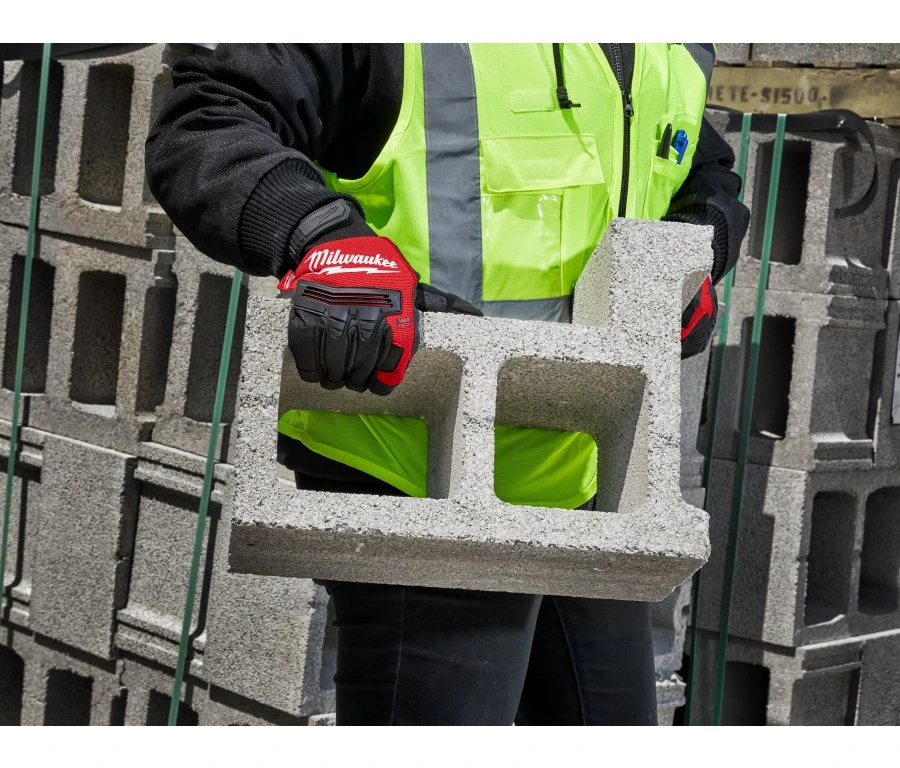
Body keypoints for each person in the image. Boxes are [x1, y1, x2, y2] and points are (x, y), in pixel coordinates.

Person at [146, 43, 749, 726]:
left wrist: (700, 242)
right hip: (417, 469)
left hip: (581, 470)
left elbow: (696, 161)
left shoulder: (674, 41)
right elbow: (207, 118)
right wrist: (321, 235)